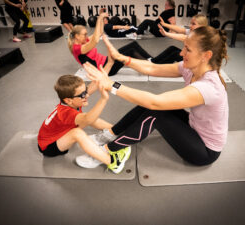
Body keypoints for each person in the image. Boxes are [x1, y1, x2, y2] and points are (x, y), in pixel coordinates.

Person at [81, 26, 229, 169]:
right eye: (184, 47)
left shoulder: (209, 87)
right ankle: (110, 134)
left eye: (188, 50)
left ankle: (111, 152)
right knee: (151, 106)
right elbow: (153, 68)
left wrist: (111, 85)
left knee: (157, 112)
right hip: (193, 127)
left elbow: (155, 102)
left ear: (206, 55)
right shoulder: (191, 68)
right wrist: (122, 58)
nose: (182, 53)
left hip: (205, 151)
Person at [37, 75, 131, 174]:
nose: (87, 95)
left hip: (60, 134)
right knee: (78, 131)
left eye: (85, 91)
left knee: (88, 117)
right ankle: (113, 162)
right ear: (68, 100)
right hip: (49, 147)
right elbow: (88, 119)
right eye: (82, 95)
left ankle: (118, 131)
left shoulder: (73, 100)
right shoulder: (66, 112)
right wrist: (103, 99)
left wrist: (106, 69)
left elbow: (93, 85)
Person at [67, 9, 153, 76]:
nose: (86, 36)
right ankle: (151, 66)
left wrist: (100, 18)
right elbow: (96, 40)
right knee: (131, 51)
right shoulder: (77, 49)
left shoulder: (83, 41)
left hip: (107, 61)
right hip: (106, 69)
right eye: (84, 34)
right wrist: (100, 18)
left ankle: (151, 61)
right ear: (77, 36)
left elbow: (99, 33)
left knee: (133, 45)